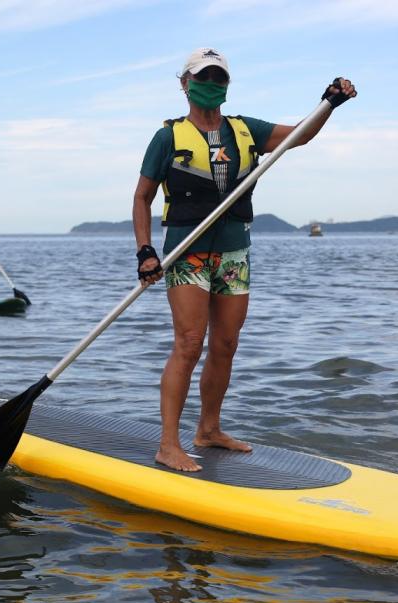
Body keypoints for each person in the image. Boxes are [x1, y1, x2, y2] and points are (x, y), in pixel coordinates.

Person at [132, 48, 356, 471]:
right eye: (203, 77)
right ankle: (167, 444)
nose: (211, 85)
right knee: (188, 343)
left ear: (227, 86)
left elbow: (301, 135)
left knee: (226, 344)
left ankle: (209, 430)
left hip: (234, 254)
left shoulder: (245, 130)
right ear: (184, 83)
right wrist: (145, 252)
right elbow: (142, 198)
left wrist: (329, 102)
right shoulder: (167, 138)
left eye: (219, 79)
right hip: (188, 253)